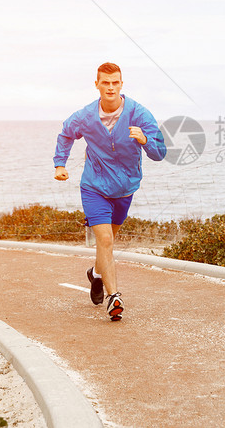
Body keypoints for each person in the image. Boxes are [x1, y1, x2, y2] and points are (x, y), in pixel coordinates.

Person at [53, 62, 167, 321]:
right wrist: (60, 163)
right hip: (93, 186)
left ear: (121, 84)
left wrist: (145, 140)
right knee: (105, 241)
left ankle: (95, 274)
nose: (111, 87)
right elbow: (66, 133)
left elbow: (160, 153)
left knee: (108, 242)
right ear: (97, 85)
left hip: (125, 189)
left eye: (115, 82)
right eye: (105, 82)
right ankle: (114, 296)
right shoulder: (85, 116)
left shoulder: (139, 114)